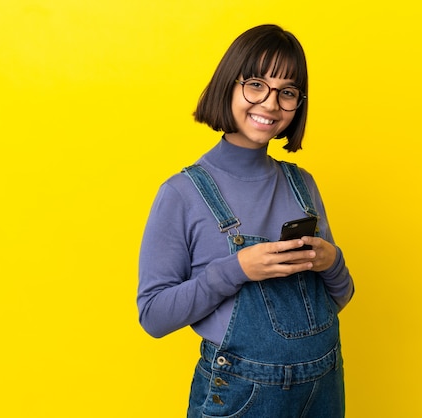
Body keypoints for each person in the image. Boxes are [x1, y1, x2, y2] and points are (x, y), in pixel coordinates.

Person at [137, 24, 354, 417]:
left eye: (287, 92)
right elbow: (153, 316)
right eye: (256, 84)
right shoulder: (182, 194)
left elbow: (338, 297)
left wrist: (331, 261)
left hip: (323, 387)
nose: (270, 104)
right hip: (240, 395)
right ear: (229, 85)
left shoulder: (302, 184)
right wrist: (236, 269)